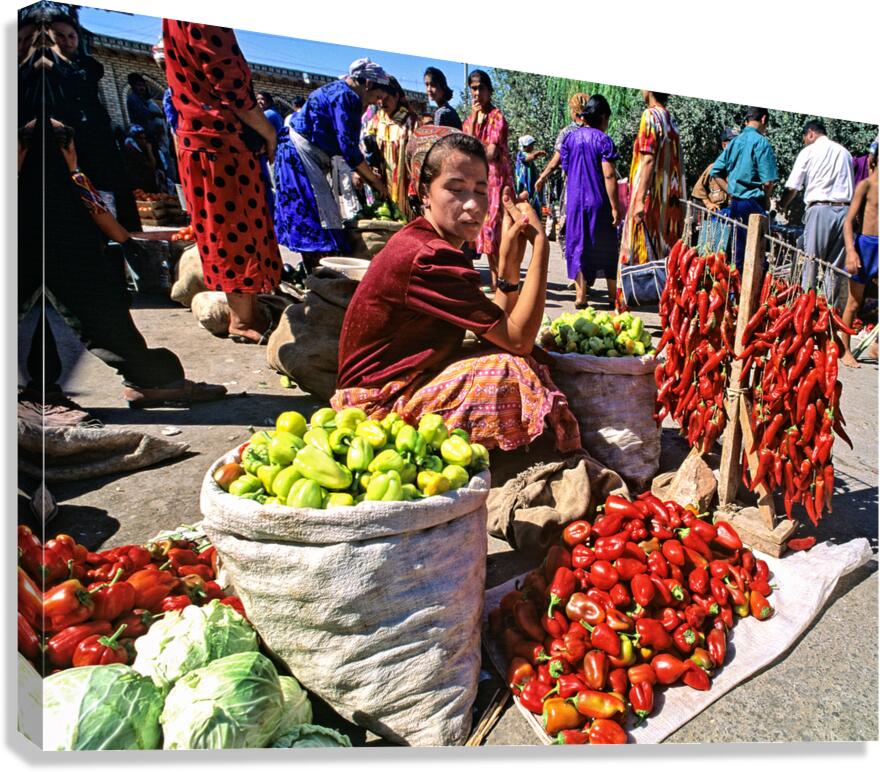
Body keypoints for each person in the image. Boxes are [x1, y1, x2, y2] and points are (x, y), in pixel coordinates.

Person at [331, 126, 581, 453]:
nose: (472, 205)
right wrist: (542, 251)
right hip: (373, 408)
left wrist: (508, 262)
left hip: (400, 384)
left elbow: (498, 330)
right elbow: (518, 340)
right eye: (455, 189)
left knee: (504, 355)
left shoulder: (428, 242)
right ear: (424, 194)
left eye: (480, 190)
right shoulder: (429, 256)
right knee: (512, 371)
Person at [163, 19, 282, 344]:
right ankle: (243, 321)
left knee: (234, 231)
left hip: (210, 144)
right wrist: (269, 132)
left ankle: (246, 314)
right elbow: (229, 82)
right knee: (238, 232)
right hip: (219, 145)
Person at [273, 57, 392, 273]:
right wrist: (375, 181)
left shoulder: (342, 92)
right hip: (299, 157)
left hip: (307, 157)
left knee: (322, 217)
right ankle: (320, 277)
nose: (375, 102)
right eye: (376, 96)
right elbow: (348, 148)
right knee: (314, 220)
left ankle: (319, 274)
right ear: (367, 84)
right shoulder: (345, 97)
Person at [47, 9, 139, 229]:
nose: (67, 41)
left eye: (71, 36)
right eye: (59, 36)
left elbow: (93, 73)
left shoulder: (87, 66)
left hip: (100, 141)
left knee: (115, 192)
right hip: (71, 145)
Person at [617, 90, 685, 306]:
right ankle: (667, 309)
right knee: (664, 258)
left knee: (632, 249)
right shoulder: (671, 121)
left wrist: (638, 200)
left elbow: (647, 159)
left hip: (650, 198)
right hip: (669, 204)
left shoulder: (651, 116)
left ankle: (622, 308)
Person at [777, 121, 854, 308]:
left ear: (810, 133)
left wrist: (782, 205)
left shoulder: (809, 152)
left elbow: (793, 186)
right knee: (834, 269)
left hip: (819, 209)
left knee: (810, 261)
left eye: (804, 138)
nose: (804, 142)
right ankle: (828, 312)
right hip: (844, 211)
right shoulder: (844, 153)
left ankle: (805, 310)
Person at [559, 95, 620, 309]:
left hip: (575, 202)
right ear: (603, 117)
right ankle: (614, 296)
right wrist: (615, 206)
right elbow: (609, 176)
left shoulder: (570, 139)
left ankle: (580, 296)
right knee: (607, 246)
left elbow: (566, 169)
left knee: (578, 245)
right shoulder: (604, 140)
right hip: (599, 201)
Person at [462, 69, 515, 290]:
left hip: (496, 184)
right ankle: (497, 283)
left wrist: (475, 145)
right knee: (483, 232)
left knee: (495, 232)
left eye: (480, 88)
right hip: (478, 183)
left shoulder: (496, 117)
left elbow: (491, 153)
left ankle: (500, 284)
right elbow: (465, 148)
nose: (476, 93)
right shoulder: (470, 121)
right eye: (473, 88)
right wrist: (474, 123)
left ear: (489, 91)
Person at [709, 106, 778, 271]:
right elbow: (768, 182)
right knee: (755, 255)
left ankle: (735, 291)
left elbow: (715, 172)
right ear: (764, 119)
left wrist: (731, 191)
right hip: (754, 204)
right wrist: (767, 200)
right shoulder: (761, 143)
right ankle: (749, 294)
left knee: (737, 252)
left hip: (736, 204)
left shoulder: (734, 142)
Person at [535, 92, 590, 259]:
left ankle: (577, 274)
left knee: (570, 230)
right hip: (594, 187)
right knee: (588, 229)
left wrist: (542, 177)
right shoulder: (597, 131)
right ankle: (585, 272)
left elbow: (555, 162)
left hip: (573, 187)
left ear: (573, 111)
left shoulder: (567, 132)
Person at [840, 142, 878, 368]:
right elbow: (847, 222)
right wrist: (851, 251)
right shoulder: (866, 185)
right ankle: (845, 349)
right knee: (853, 303)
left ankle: (876, 346)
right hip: (866, 245)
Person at [363, 76, 419, 221]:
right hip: (381, 184)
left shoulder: (411, 122)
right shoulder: (375, 121)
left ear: (397, 95)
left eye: (386, 98)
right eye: (379, 98)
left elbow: (417, 157)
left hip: (404, 187)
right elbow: (366, 149)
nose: (382, 102)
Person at [691, 128, 737, 212]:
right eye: (733, 143)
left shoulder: (742, 168)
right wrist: (708, 204)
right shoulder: (712, 168)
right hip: (716, 217)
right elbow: (698, 190)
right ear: (724, 145)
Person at [122, 124, 160, 193]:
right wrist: (149, 151)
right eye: (141, 139)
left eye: (144, 138)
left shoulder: (135, 149)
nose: (144, 141)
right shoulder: (134, 151)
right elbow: (152, 166)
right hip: (141, 185)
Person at [514, 135, 546, 212]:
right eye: (531, 145)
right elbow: (529, 158)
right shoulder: (521, 154)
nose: (532, 147)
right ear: (525, 146)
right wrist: (537, 154)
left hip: (531, 188)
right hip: (524, 187)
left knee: (534, 208)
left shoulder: (526, 154)